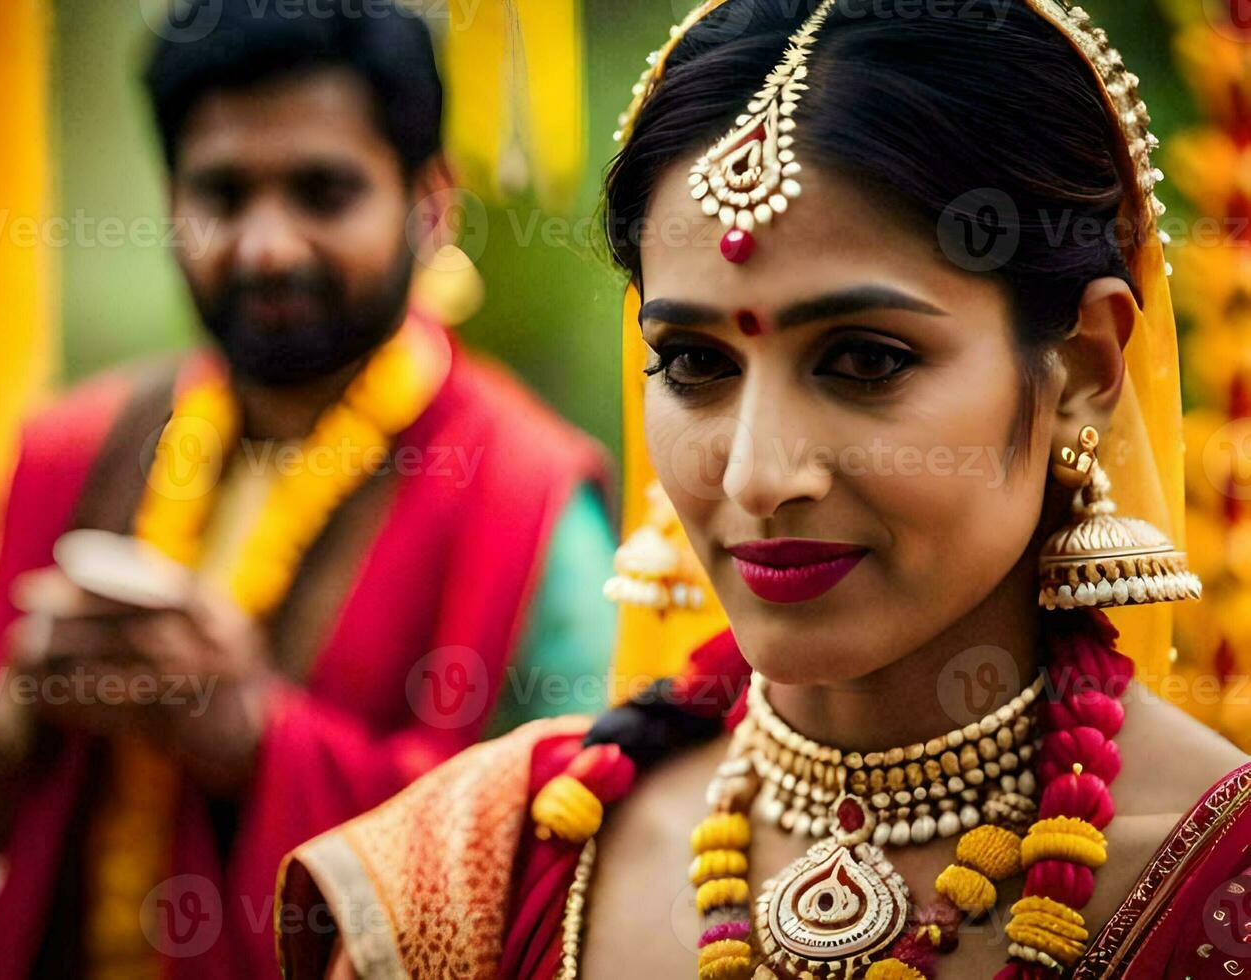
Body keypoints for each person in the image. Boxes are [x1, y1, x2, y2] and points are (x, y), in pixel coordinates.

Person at [275, 1, 1251, 977]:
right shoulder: (487, 870)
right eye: (696, 360)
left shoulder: (1220, 888)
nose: (756, 473)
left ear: (1081, 365)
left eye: (866, 358)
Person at [0, 1, 616, 976]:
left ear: (432, 207)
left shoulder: (528, 497)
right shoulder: (72, 450)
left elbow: (567, 859)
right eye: (222, 194)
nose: (266, 246)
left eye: (322, 191)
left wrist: (255, 736)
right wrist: (24, 707)